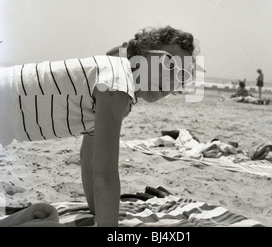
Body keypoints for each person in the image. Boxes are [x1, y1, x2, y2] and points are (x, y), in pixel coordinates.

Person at [0, 25, 198, 227]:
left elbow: (90, 158)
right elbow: (105, 176)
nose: (172, 79)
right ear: (142, 52)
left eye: (184, 74)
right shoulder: (116, 83)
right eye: (168, 64)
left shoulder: (114, 83)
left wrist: (97, 211)